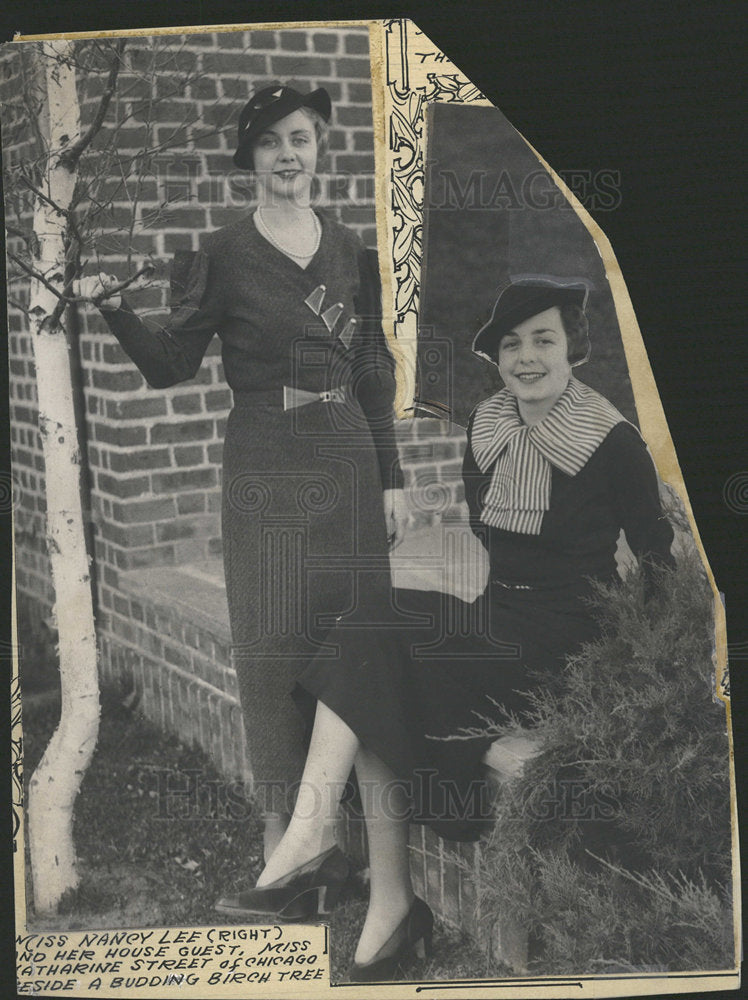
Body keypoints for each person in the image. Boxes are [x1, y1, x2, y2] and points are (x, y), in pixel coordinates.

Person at [213, 278, 676, 982]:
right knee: (373, 626)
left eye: (543, 340)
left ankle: (357, 878)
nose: (526, 357)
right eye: (511, 344)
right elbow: (495, 552)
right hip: (500, 620)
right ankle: (360, 876)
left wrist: (642, 681)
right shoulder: (488, 429)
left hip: (569, 646)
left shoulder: (613, 442)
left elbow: (656, 565)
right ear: (496, 358)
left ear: (574, 349)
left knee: (384, 661)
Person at [76, 84, 407, 860]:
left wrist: (392, 476)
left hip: (349, 459)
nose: (288, 155)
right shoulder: (223, 254)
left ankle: (346, 843)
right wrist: (115, 310)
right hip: (264, 463)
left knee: (352, 643)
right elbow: (169, 366)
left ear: (320, 146)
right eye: (270, 143)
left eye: (301, 138)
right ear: (249, 159)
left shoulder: (352, 249)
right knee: (271, 649)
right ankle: (280, 841)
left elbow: (371, 368)